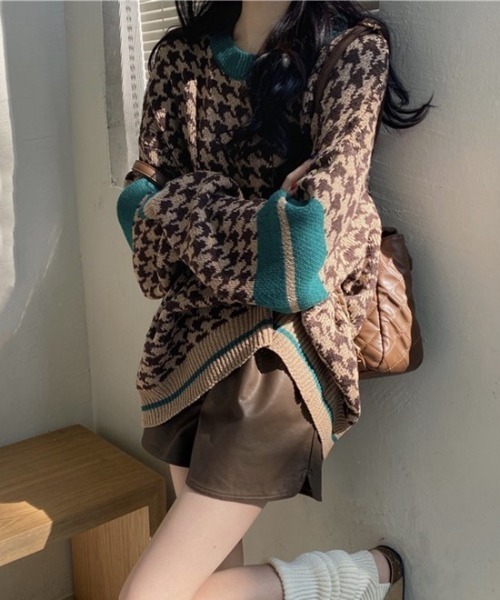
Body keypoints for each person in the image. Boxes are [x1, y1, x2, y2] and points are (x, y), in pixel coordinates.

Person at [116, 2, 431, 599]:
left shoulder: (352, 50)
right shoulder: (181, 56)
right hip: (185, 346)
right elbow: (138, 220)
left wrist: (186, 210)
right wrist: (265, 218)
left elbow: (306, 253)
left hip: (285, 349)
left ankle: (348, 578)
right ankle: (358, 577)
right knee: (205, 580)